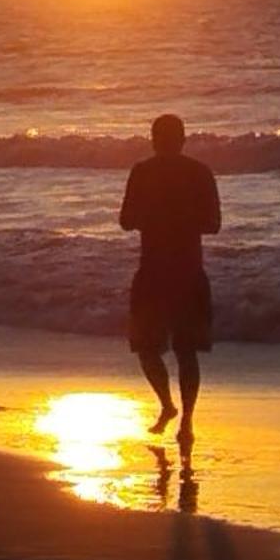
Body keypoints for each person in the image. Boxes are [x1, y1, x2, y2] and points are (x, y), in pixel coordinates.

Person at [119, 113, 219, 439]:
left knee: (149, 348)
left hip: (157, 272)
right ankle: (180, 415)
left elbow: (125, 220)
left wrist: (157, 216)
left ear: (154, 139)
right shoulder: (200, 173)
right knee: (180, 350)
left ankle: (177, 412)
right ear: (183, 139)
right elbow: (213, 224)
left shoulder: (143, 172)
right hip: (185, 271)